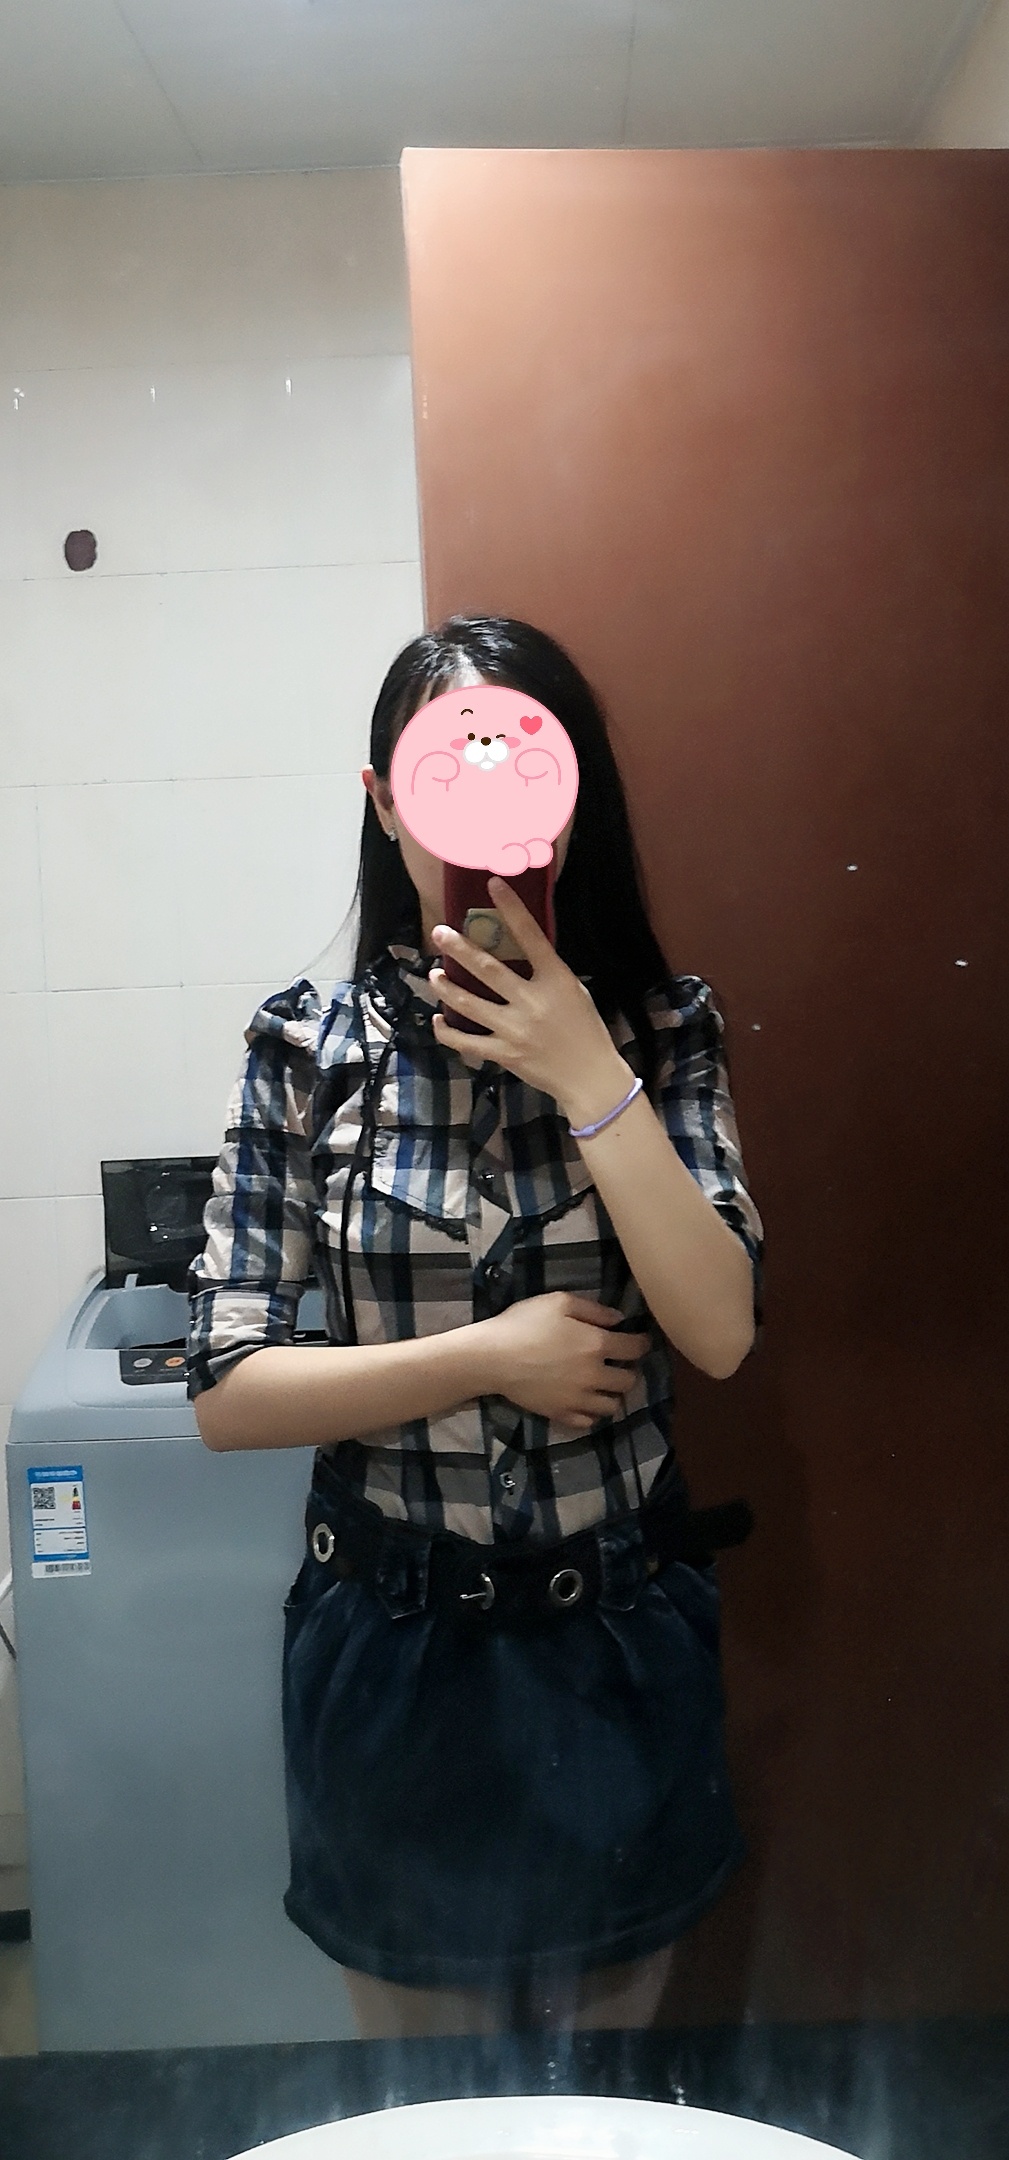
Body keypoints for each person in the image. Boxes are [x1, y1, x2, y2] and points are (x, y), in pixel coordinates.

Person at [186, 614, 764, 2040]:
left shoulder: (659, 1032)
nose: (490, 803)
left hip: (612, 1629)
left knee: (604, 2093)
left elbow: (718, 1328)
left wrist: (585, 1067)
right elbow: (227, 1390)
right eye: (447, 771)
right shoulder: (305, 1049)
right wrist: (493, 1359)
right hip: (392, 1648)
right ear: (385, 802)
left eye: (529, 766)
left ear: (572, 799)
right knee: (423, 2097)